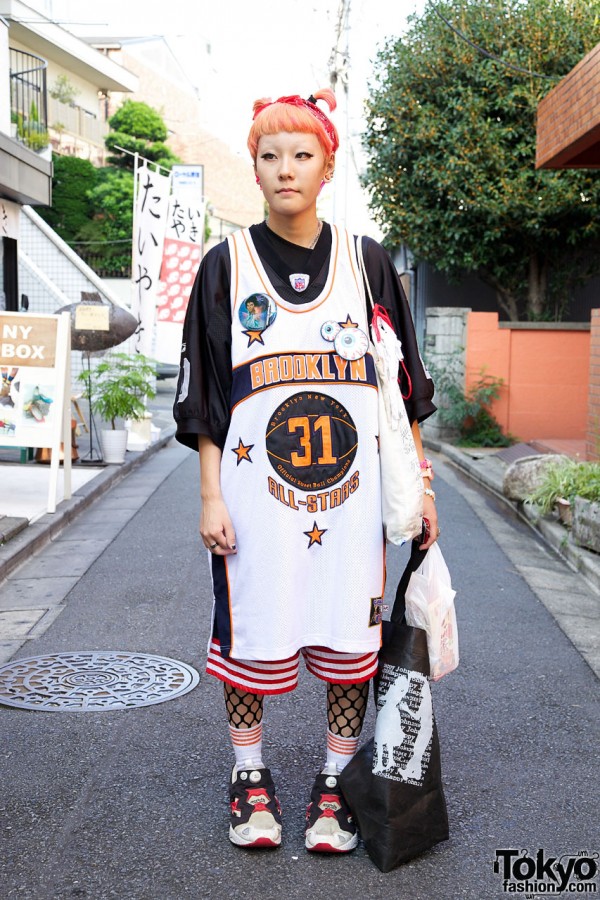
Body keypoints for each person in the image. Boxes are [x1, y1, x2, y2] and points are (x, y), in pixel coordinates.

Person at [173, 88, 439, 853]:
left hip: (350, 505)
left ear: (327, 165)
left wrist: (420, 490)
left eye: (301, 155)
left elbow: (401, 391)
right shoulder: (228, 266)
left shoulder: (368, 264)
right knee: (250, 634)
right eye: (268, 156)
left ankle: (334, 782)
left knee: (350, 644)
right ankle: (248, 778)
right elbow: (208, 398)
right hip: (257, 503)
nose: (284, 169)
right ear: (253, 169)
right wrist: (210, 495)